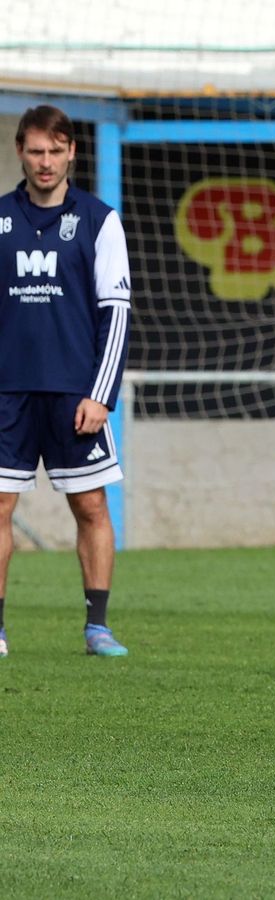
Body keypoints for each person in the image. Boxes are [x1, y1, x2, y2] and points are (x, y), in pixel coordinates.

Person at [0, 105, 133, 659]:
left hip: (74, 395)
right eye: (36, 151)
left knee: (91, 509)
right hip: (7, 393)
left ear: (73, 152)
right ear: (20, 153)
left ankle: (97, 627)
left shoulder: (100, 221)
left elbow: (116, 312)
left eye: (56, 151)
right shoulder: (0, 219)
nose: (46, 161)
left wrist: (101, 396)